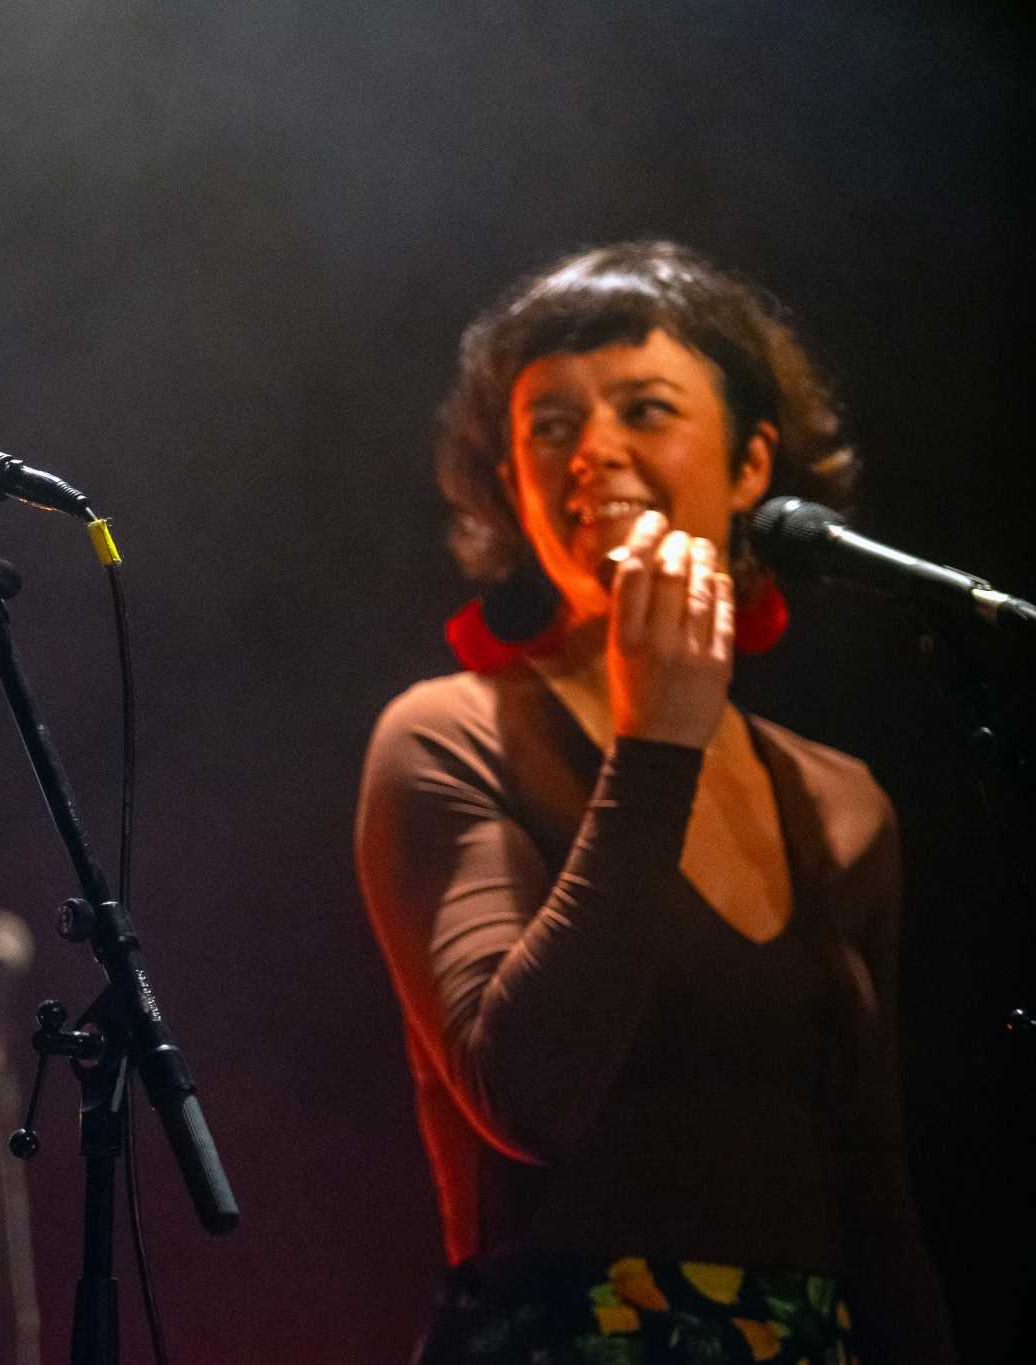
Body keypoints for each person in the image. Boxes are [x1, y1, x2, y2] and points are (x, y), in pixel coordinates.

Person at [355, 242, 954, 1363]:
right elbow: (525, 1096)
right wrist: (654, 749)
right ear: (513, 490)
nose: (594, 453)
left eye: (645, 408)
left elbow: (875, 1205)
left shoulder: (842, 804)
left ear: (747, 465)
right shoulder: (448, 733)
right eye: (548, 427)